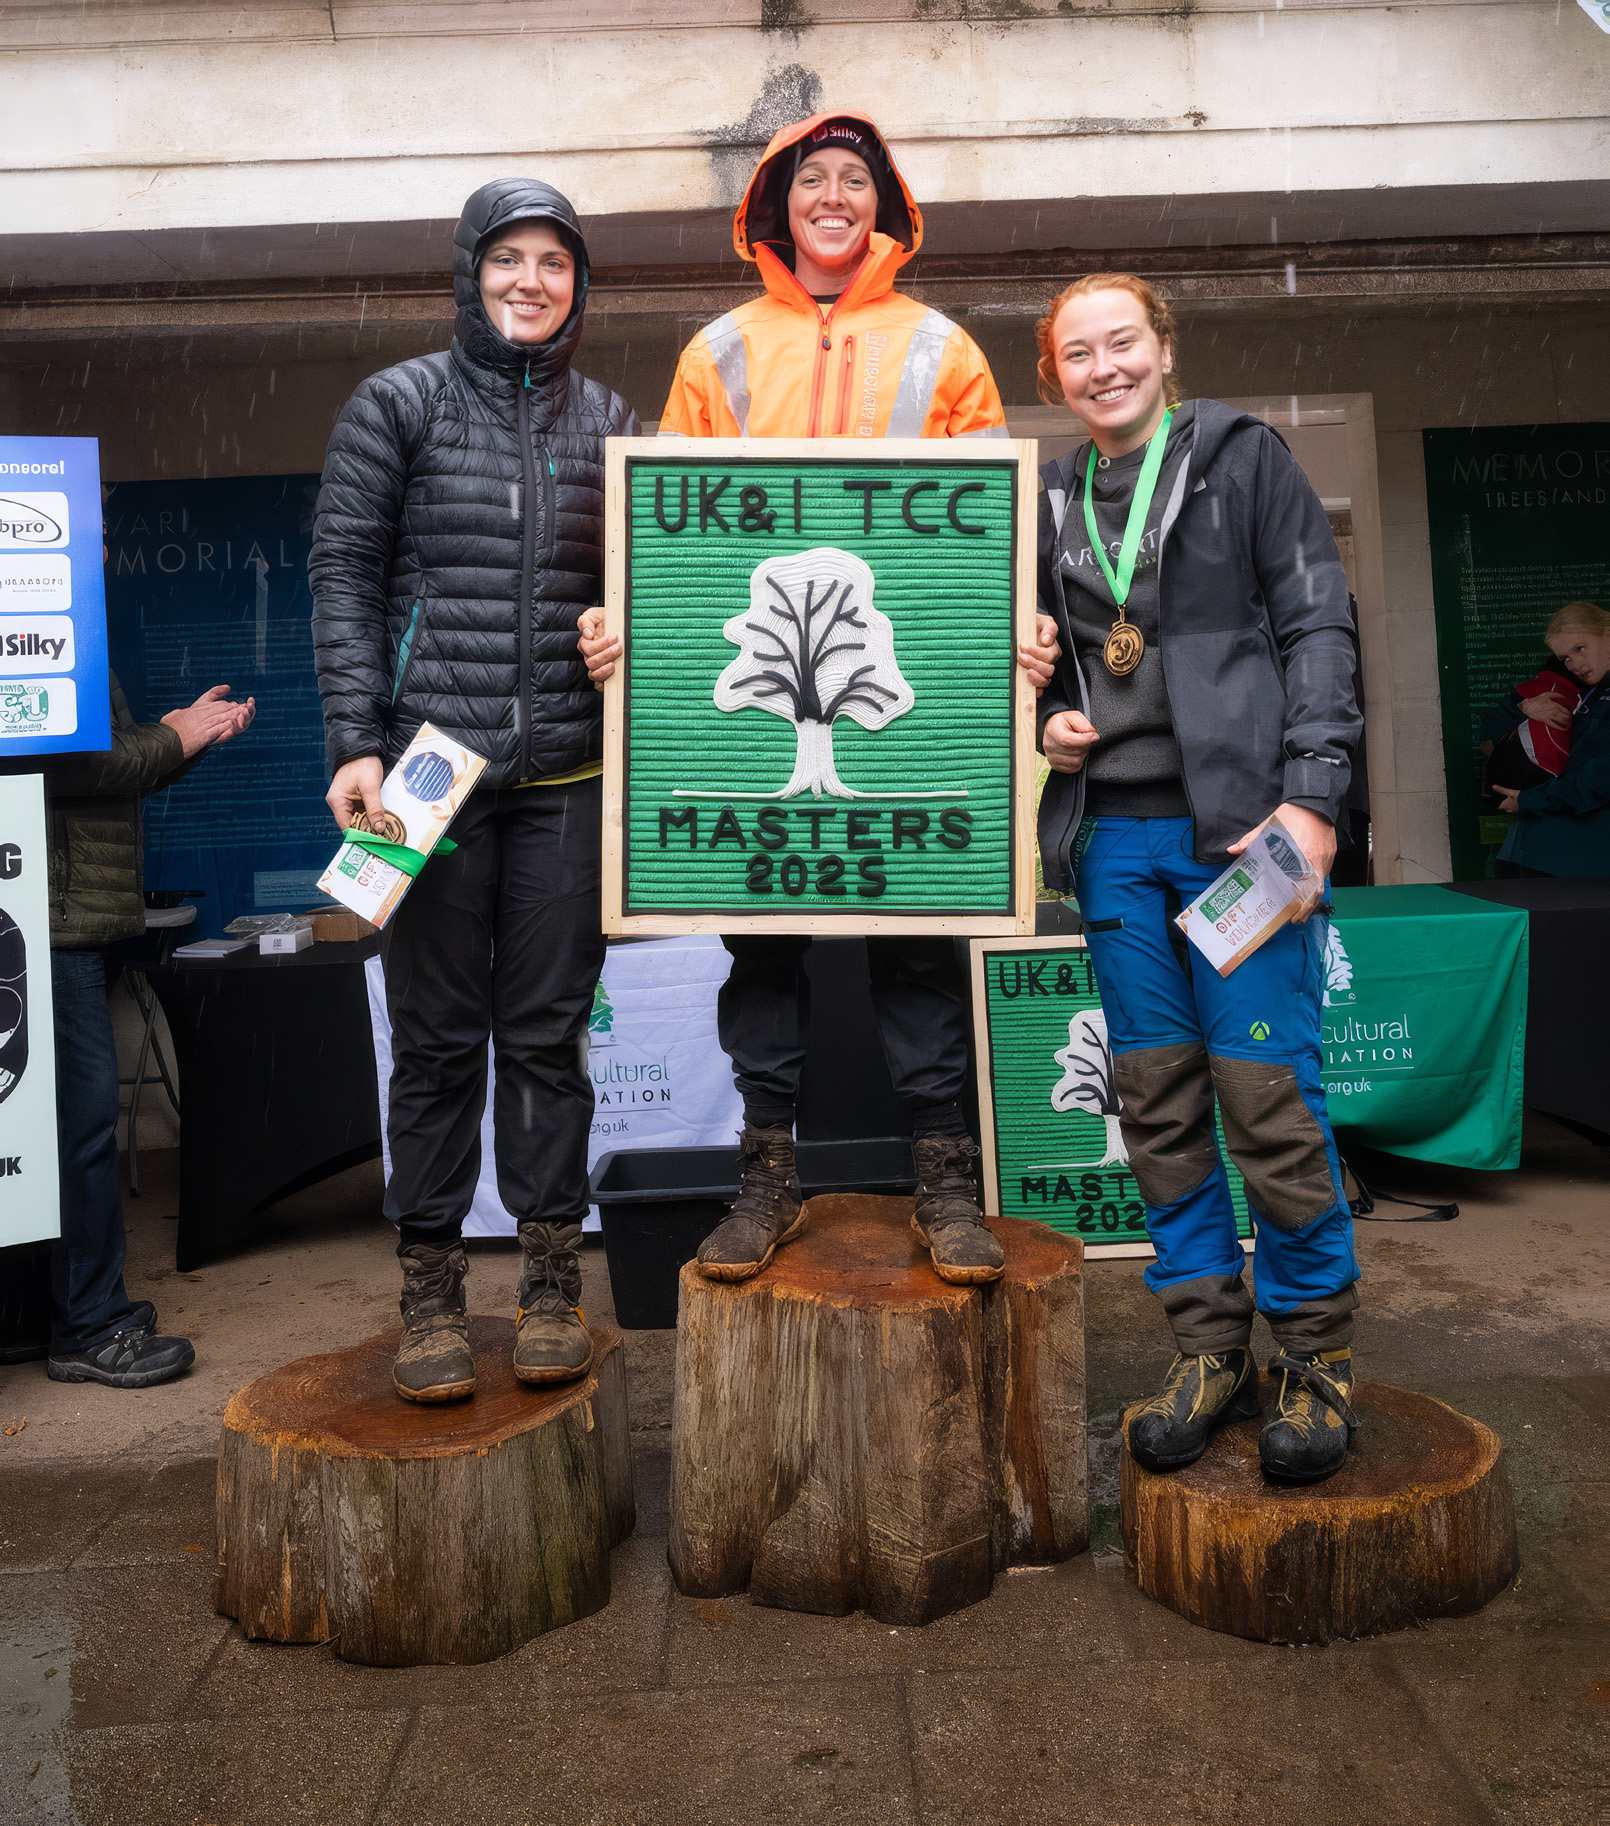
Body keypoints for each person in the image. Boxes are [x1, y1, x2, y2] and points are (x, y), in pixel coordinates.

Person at [580, 111, 1059, 1286]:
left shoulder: (940, 347)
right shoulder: (718, 351)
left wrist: (1017, 622)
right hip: (755, 711)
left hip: (907, 695)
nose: (833, 196)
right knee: (760, 957)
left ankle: (944, 1179)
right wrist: (628, 623)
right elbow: (675, 545)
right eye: (812, 180)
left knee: (920, 954)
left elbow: (985, 538)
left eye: (853, 179)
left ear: (881, 204)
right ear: (779, 206)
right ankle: (766, 1176)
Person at [311, 178, 639, 1404]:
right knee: (437, 1040)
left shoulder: (611, 420)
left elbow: (644, 582)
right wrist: (355, 738)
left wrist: (620, 627)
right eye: (509, 258)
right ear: (469, 271)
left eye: (554, 261)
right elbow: (343, 572)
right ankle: (432, 1288)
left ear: (578, 284)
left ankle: (550, 1281)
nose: (530, 281)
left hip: (568, 773)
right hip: (423, 771)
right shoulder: (396, 402)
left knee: (547, 1038)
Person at [1035, 273, 1364, 1483]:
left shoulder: (1241, 458)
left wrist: (1312, 796)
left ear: (1163, 347)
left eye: (1122, 340)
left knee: (1266, 1100)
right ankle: (1207, 1347)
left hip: (1241, 836)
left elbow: (1317, 625)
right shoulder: (1048, 495)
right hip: (1113, 843)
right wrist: (1047, 717)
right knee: (1159, 1104)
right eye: (1077, 352)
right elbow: (1045, 660)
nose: (1104, 366)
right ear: (1053, 376)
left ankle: (1314, 1355)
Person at [14, 669, 254, 1386]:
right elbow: (60, 762)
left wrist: (183, 739)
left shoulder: (56, 626)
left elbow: (108, 773)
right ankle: (88, 1324)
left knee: (62, 1127)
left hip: (63, 914)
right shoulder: (29, 620)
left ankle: (44, 1314)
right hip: (45, 919)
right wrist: (170, 738)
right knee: (79, 1128)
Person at [1482, 601, 1610, 877]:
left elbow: (1598, 780)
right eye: (1565, 658)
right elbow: (1487, 734)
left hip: (1586, 858)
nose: (1574, 664)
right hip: (1557, 849)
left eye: (1579, 648)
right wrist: (1525, 710)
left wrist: (1529, 800)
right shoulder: (1589, 690)